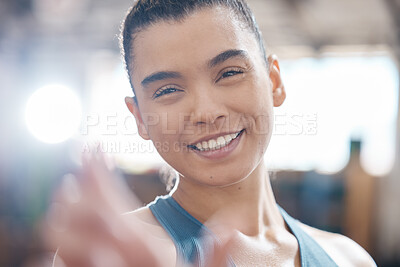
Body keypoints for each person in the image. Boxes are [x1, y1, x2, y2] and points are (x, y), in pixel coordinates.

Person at [46, 0, 377, 266]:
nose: (206, 112)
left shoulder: (348, 259)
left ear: (274, 82)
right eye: (167, 90)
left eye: (229, 72)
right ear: (140, 119)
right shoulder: (113, 256)